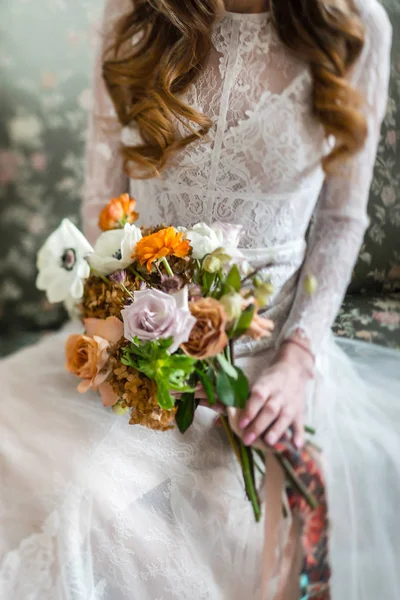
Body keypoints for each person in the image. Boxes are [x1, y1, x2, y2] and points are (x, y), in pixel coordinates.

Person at [1, 0, 399, 598]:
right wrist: (125, 347)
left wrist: (297, 361)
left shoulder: (356, 26)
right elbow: (100, 206)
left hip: (264, 367)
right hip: (136, 345)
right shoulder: (131, 16)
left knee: (150, 520)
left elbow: (341, 222)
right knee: (60, 494)